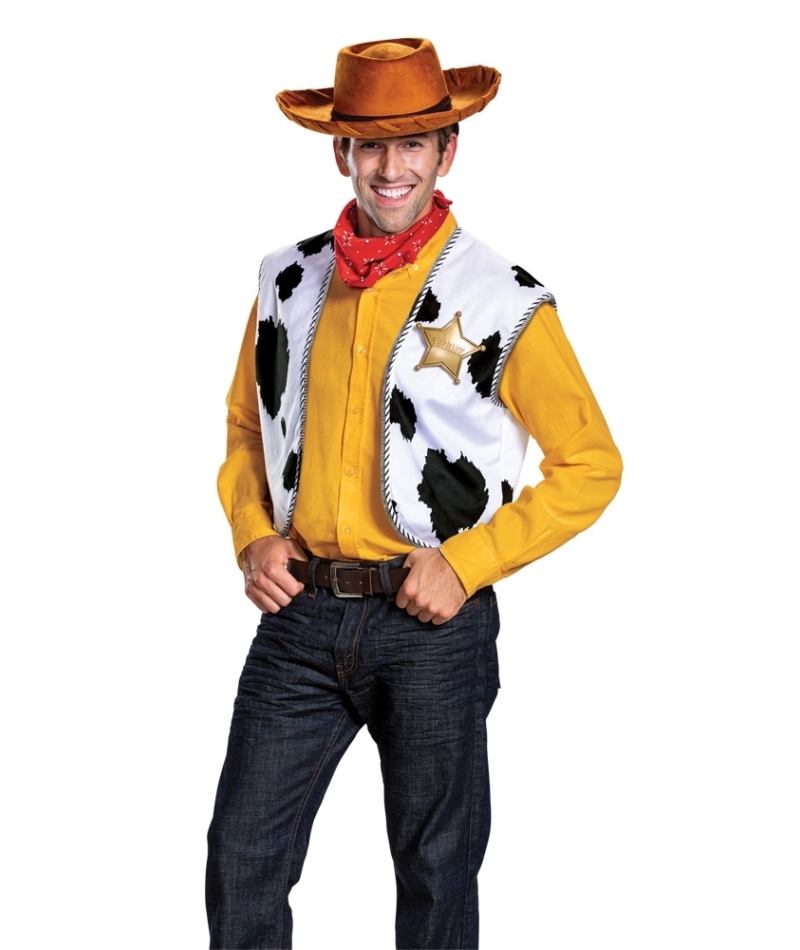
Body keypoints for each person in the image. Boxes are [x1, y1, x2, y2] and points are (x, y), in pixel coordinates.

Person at [206, 37, 622, 950]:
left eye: (414, 144)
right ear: (341, 153)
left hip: (432, 625)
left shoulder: (503, 298)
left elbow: (593, 462)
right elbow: (245, 423)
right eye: (371, 145)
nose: (391, 168)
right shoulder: (287, 279)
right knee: (241, 858)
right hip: (301, 613)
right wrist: (252, 533)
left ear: (447, 152)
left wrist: (469, 564)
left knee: (436, 874)